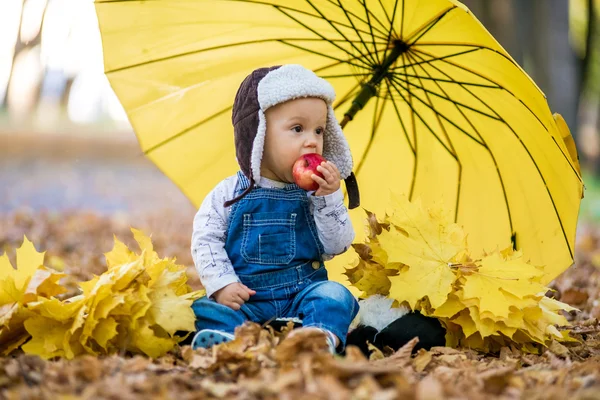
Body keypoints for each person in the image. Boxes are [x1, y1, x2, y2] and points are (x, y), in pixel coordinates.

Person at [190, 64, 360, 353]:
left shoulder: (316, 193)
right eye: (297, 128)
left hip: (302, 296)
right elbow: (206, 239)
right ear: (259, 135)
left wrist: (329, 198)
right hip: (247, 301)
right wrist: (222, 284)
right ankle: (229, 338)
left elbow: (338, 245)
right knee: (201, 307)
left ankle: (317, 337)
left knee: (336, 295)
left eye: (319, 130)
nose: (312, 141)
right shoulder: (229, 194)